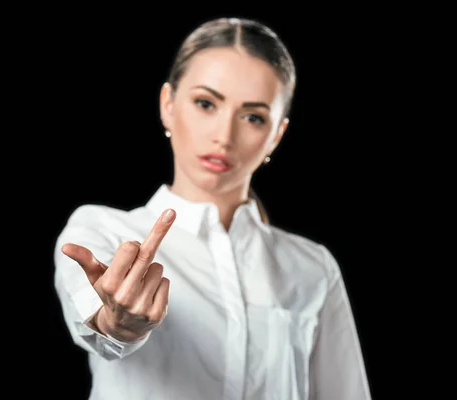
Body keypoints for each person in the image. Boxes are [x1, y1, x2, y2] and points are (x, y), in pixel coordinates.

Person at [53, 17, 371, 400]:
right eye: (206, 103)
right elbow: (97, 325)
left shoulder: (313, 267)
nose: (224, 136)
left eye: (253, 117)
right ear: (168, 105)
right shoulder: (101, 229)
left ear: (276, 136)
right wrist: (119, 324)